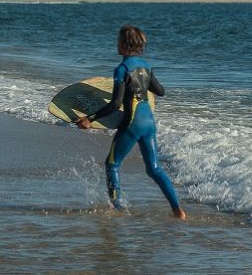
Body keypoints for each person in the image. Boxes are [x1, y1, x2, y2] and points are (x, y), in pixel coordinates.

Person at [75, 25, 186, 220]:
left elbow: (115, 104)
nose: (116, 44)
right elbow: (160, 91)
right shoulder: (146, 66)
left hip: (132, 122)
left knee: (112, 164)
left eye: (118, 41)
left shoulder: (122, 69)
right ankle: (178, 210)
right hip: (149, 122)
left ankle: (117, 209)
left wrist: (89, 119)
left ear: (125, 45)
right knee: (154, 169)